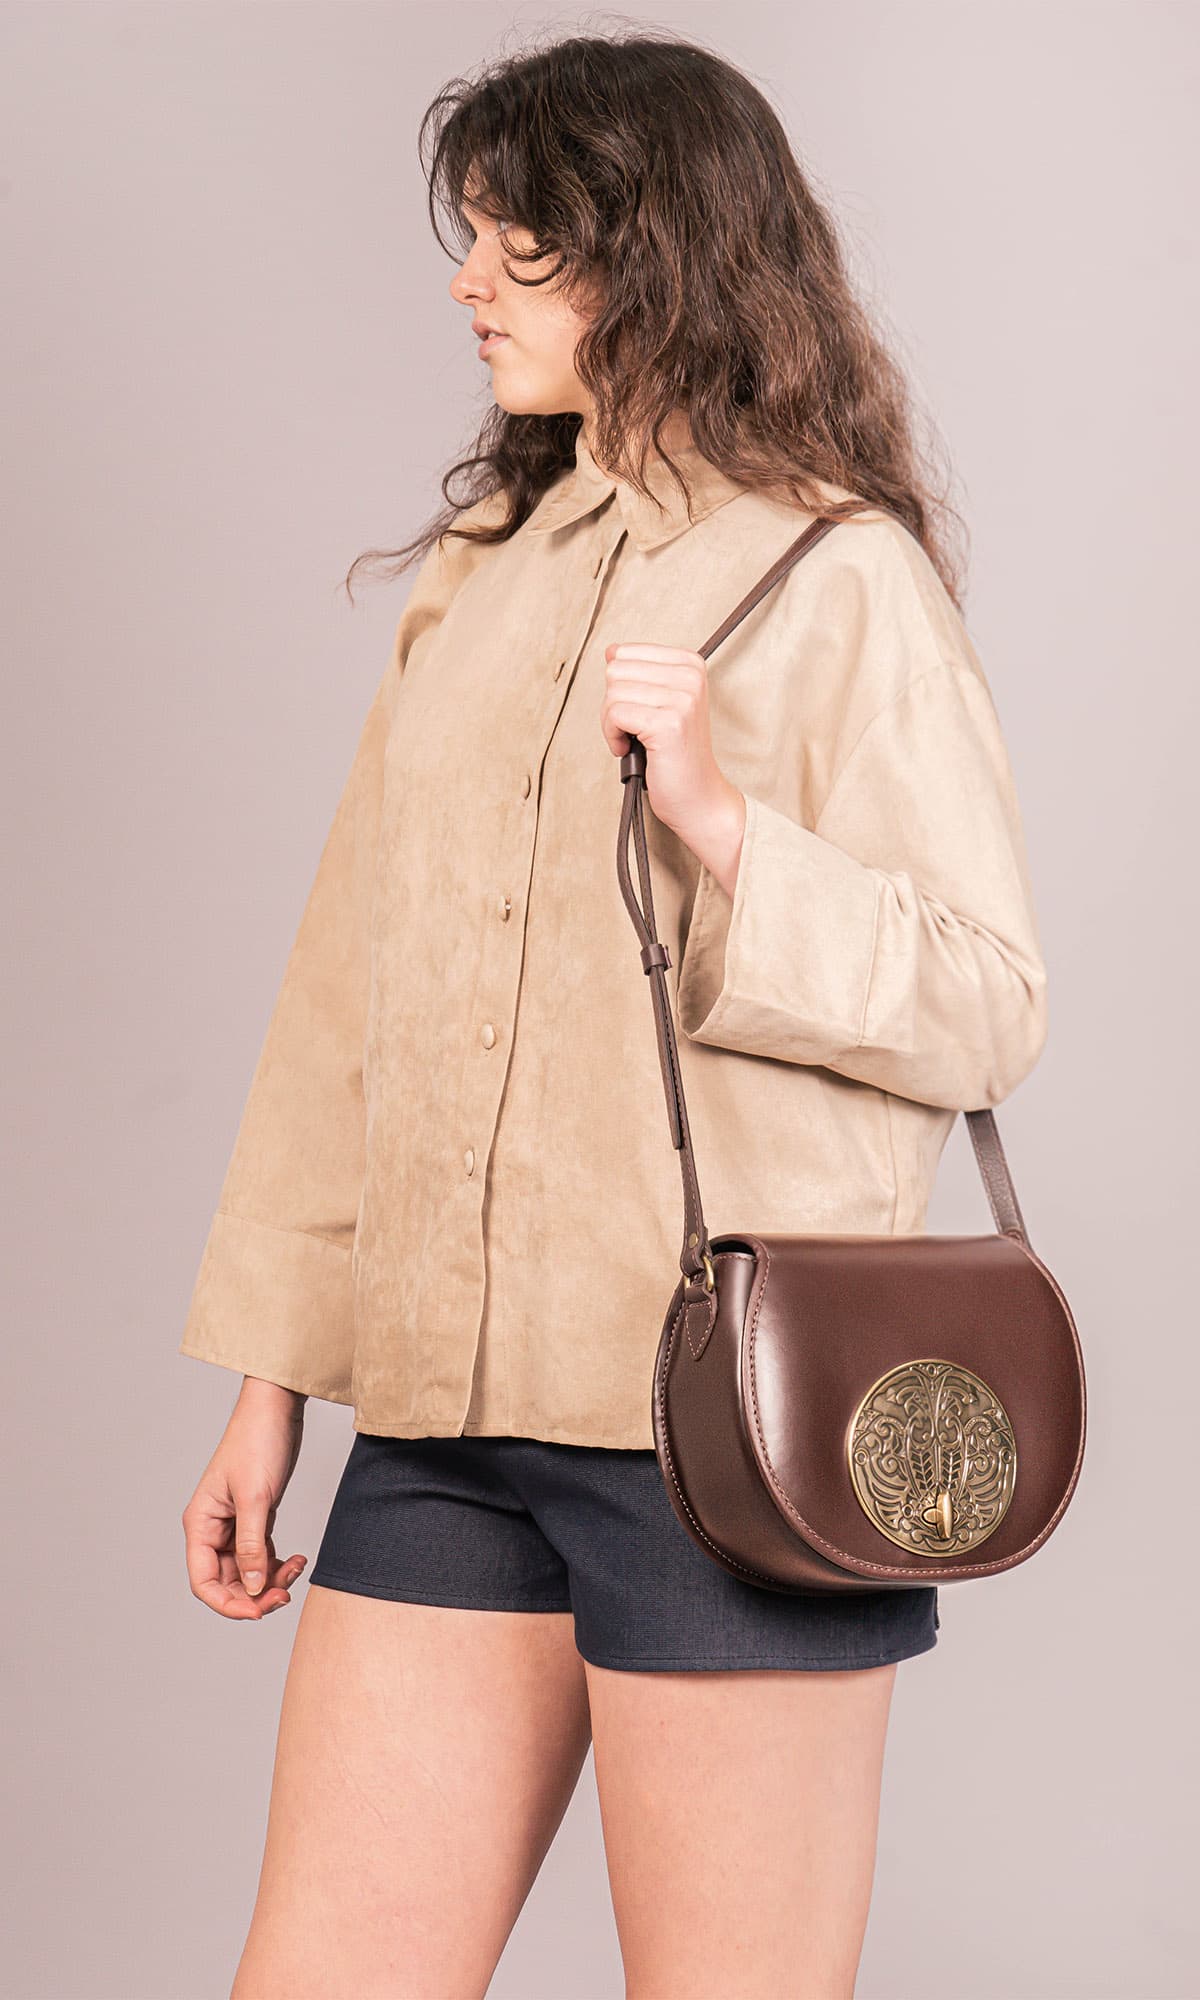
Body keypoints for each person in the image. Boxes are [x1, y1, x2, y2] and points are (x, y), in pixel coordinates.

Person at [179, 30, 1048, 2000]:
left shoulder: (841, 575)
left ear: (661, 253)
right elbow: (348, 998)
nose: (466, 283)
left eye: (524, 244)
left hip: (726, 1423)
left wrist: (728, 832)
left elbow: (987, 1003)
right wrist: (272, 1378)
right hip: (445, 1413)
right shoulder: (486, 573)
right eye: (472, 238)